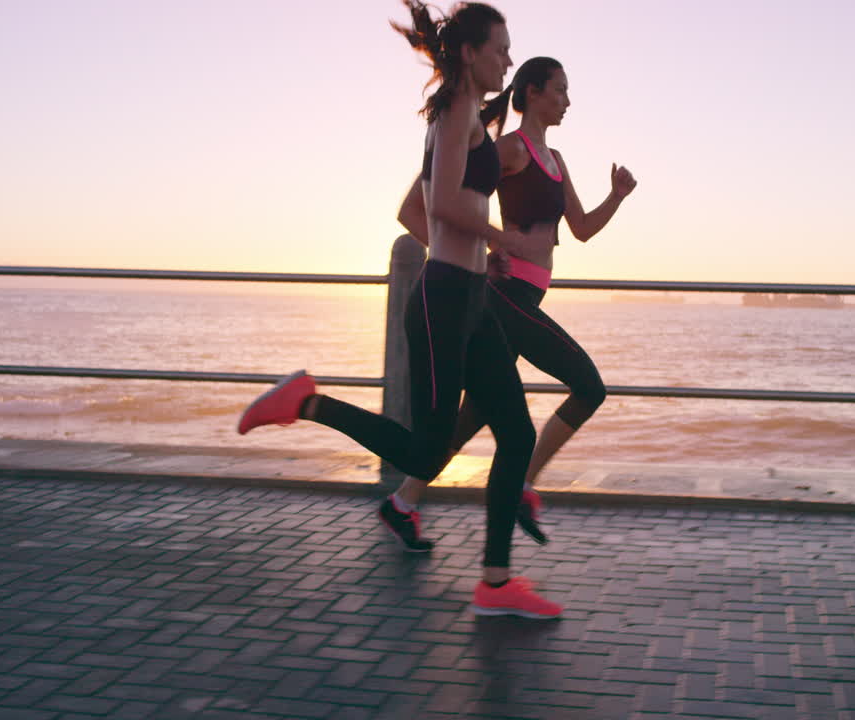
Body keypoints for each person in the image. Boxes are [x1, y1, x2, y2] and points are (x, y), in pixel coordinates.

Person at [237, 0, 561, 619]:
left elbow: (415, 214)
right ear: (470, 53)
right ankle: (305, 402)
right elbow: (439, 205)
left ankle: (496, 584)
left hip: (471, 299)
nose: (508, 61)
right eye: (500, 49)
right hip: (442, 303)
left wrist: (473, 252)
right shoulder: (455, 113)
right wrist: (498, 240)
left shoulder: (466, 117)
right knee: (421, 454)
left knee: (515, 434)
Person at [397, 56, 637, 544]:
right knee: (589, 386)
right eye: (560, 90)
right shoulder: (507, 149)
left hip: (528, 297)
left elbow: (583, 230)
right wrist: (472, 254)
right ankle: (523, 486)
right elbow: (416, 208)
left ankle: (403, 502)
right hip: (503, 297)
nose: (567, 101)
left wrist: (617, 196)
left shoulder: (556, 159)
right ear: (530, 92)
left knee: (476, 413)